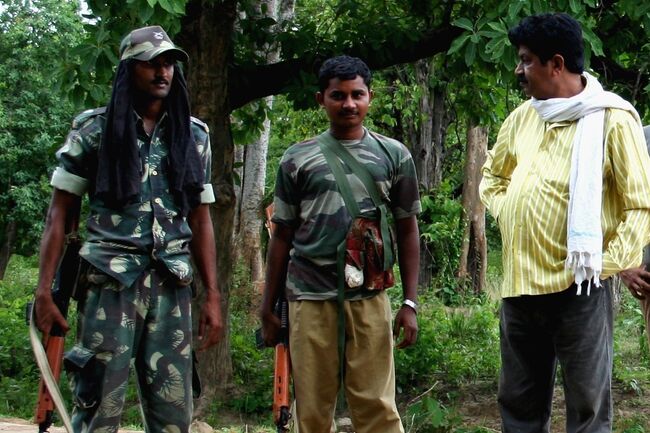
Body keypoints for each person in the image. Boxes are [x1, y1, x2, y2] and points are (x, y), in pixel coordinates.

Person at [33, 25, 223, 433]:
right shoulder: (93, 130)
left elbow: (201, 218)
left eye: (169, 63)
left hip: (173, 286)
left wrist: (213, 295)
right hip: (109, 285)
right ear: (127, 70)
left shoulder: (194, 136)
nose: (162, 72)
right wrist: (44, 291)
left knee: (174, 415)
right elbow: (58, 216)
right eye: (150, 63)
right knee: (99, 409)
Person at [479, 13, 650, 433]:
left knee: (588, 405)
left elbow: (638, 205)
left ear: (556, 64)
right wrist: (511, 211)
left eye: (525, 61)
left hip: (580, 289)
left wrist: (602, 263)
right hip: (520, 285)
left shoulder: (612, 118)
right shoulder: (522, 118)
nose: (519, 71)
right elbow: (493, 178)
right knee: (518, 401)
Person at [260, 55, 421, 433]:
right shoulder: (296, 158)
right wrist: (267, 306)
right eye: (338, 95)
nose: (348, 103)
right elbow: (281, 234)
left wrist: (410, 302)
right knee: (312, 410)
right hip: (309, 298)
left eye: (357, 94)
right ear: (322, 99)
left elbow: (407, 227)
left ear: (370, 97)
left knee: (377, 406)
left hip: (369, 296)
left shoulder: (393, 155)